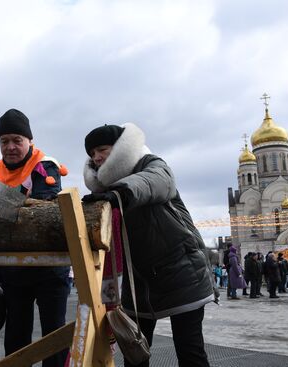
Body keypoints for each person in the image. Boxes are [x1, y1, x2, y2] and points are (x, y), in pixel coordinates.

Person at [81, 123, 217, 367]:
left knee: (190, 351)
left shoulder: (151, 164)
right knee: (134, 352)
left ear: (121, 147)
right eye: (92, 154)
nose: (96, 157)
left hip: (182, 272)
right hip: (139, 281)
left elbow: (156, 181)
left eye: (102, 149)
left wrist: (120, 194)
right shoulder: (105, 190)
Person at [0, 108, 70, 367]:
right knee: (15, 339)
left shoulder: (45, 167)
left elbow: (43, 209)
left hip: (49, 268)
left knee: (53, 338)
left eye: (17, 140)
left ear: (30, 141)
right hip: (12, 270)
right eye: (4, 141)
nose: (10, 147)